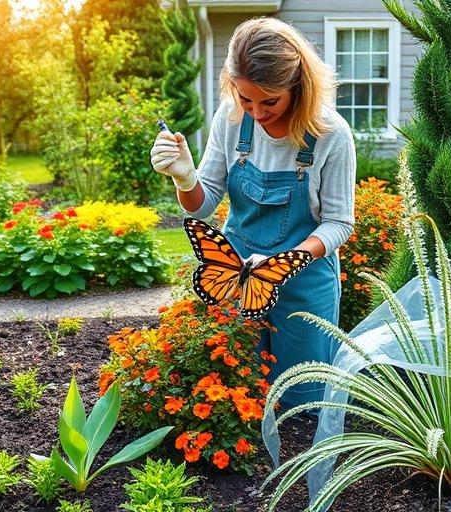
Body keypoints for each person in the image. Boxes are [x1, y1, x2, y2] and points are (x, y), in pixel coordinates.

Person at [150, 17, 356, 408]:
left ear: (298, 87)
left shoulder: (332, 134)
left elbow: (339, 223)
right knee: (241, 392)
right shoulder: (231, 118)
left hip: (304, 284)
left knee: (302, 404)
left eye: (270, 101)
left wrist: (284, 260)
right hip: (238, 277)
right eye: (247, 99)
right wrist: (183, 177)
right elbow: (204, 202)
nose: (257, 112)